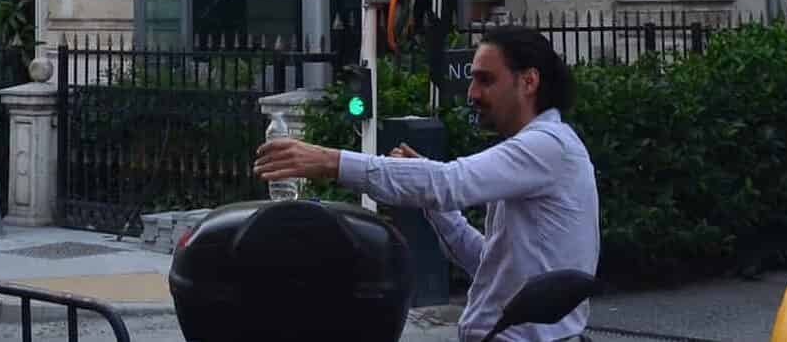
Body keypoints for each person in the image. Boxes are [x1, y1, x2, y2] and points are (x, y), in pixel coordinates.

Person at [255, 25, 599, 342]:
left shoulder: (548, 146)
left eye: (485, 80)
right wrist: (433, 203)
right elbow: (491, 266)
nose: (472, 93)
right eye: (472, 79)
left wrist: (331, 162)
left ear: (528, 82)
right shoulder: (538, 150)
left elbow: (450, 182)